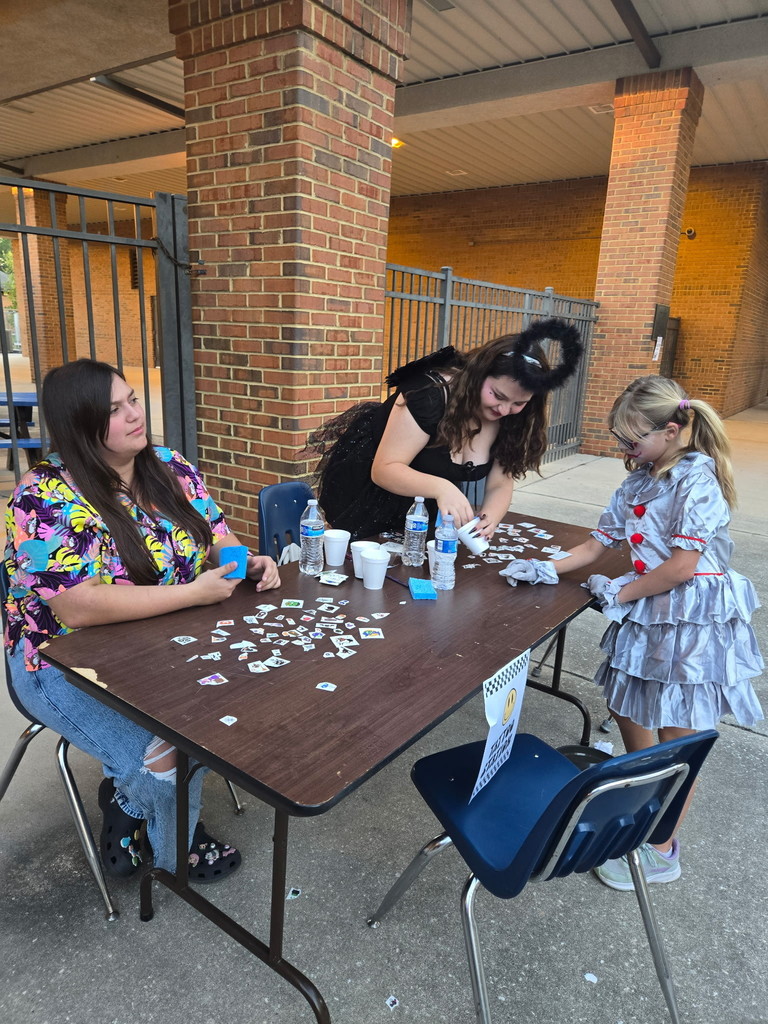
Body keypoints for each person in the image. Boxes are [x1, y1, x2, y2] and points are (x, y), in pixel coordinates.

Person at [4, 359, 281, 883]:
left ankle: (126, 804)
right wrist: (191, 593)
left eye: (133, 398)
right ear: (80, 425)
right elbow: (78, 606)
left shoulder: (169, 465)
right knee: (172, 750)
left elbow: (216, 532)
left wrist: (246, 563)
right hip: (57, 661)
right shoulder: (44, 496)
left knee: (230, 717)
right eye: (114, 409)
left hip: (161, 642)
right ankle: (177, 848)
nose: (136, 414)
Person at [501, 374, 764, 890]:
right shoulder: (638, 479)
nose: (625, 450)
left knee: (677, 736)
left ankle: (662, 845)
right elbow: (596, 546)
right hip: (648, 605)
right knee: (628, 704)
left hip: (690, 619)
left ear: (671, 430)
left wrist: (618, 594)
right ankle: (636, 792)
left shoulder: (698, 481)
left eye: (632, 439)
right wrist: (546, 567)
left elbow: (683, 568)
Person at [307, 318, 583, 541]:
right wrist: (443, 487)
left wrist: (488, 521)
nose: (503, 410)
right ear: (478, 375)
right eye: (497, 396)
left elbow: (500, 483)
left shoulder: (515, 417)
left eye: (518, 403)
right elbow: (385, 469)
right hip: (369, 497)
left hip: (423, 509)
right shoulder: (429, 394)